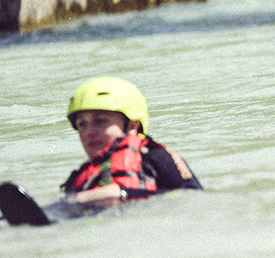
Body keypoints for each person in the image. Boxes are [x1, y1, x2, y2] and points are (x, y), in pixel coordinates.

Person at [61, 77, 202, 207]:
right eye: (81, 124)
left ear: (132, 126)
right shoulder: (79, 179)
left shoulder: (159, 159)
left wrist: (122, 193)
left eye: (100, 121)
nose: (87, 132)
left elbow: (193, 198)